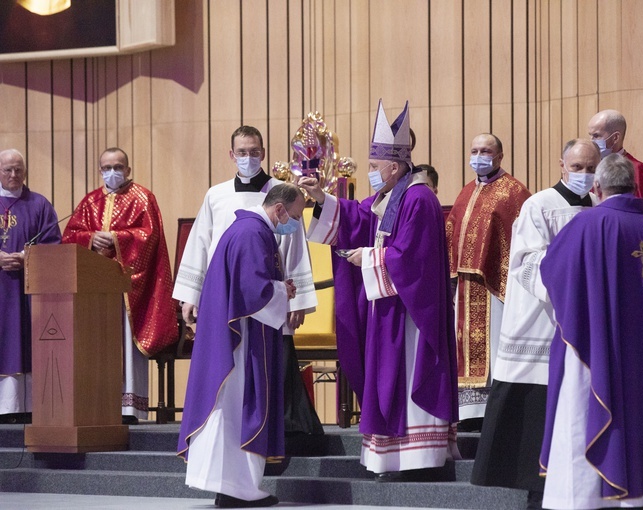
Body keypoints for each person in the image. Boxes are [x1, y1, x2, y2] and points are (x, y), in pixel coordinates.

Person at [299, 99, 460, 480]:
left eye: (374, 167)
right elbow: (357, 215)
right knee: (389, 379)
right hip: (390, 308)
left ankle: (417, 457)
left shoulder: (418, 197)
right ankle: (394, 456)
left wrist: (368, 260)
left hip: (410, 314)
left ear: (395, 165)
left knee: (405, 378)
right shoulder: (393, 195)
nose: (370, 173)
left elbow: (412, 259)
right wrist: (321, 197)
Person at [539, 153, 643, 509]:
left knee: (584, 414)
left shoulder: (586, 224)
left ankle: (590, 499)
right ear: (634, 187)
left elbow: (552, 273)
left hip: (597, 348)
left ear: (597, 187)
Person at [471, 139, 600, 509]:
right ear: (561, 165)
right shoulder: (539, 205)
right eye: (577, 168)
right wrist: (569, 295)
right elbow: (527, 263)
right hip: (542, 324)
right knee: (534, 421)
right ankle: (536, 494)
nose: (585, 176)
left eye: (591, 168)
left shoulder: (597, 207)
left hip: (579, 329)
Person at [172, 125, 322, 437]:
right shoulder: (216, 195)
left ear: (263, 153)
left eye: (254, 152)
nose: (248, 158)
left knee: (270, 367)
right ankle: (229, 430)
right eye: (242, 152)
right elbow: (201, 244)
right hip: (226, 298)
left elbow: (295, 244)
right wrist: (192, 295)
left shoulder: (280, 192)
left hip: (268, 295)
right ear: (232, 155)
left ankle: (273, 434)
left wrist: (298, 300)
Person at [178, 184, 305, 509]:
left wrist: (277, 288)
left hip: (230, 336)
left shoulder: (244, 228)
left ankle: (227, 486)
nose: (294, 223)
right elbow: (253, 292)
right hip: (243, 342)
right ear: (279, 210)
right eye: (295, 216)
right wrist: (282, 292)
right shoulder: (253, 234)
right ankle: (239, 488)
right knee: (239, 407)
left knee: (228, 409)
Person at [62, 147, 177, 423]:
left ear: (127, 169)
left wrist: (116, 238)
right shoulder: (90, 201)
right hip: (96, 291)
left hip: (130, 290)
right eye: (106, 168)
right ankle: (100, 405)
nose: (111, 173)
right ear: (100, 170)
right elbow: (70, 236)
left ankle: (129, 409)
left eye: (117, 167)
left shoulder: (142, 198)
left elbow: (149, 237)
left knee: (127, 343)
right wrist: (90, 238)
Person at [445, 133, 530, 428]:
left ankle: (494, 412)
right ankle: (468, 414)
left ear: (500, 156)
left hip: (496, 286)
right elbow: (452, 231)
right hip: (465, 286)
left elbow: (522, 241)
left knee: (494, 347)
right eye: (474, 150)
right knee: (463, 347)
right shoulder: (466, 192)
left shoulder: (514, 192)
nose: (479, 155)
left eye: (486, 151)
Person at [0, 149, 60, 424]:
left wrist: (26, 257)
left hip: (27, 290)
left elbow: (53, 244)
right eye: (8, 169)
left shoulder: (39, 204)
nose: (14, 175)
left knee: (23, 341)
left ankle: (22, 407)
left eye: (19, 170)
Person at [588, 109, 643, 215]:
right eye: (590, 135)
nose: (591, 142)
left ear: (615, 138)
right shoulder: (592, 168)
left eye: (596, 136)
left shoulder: (636, 169)